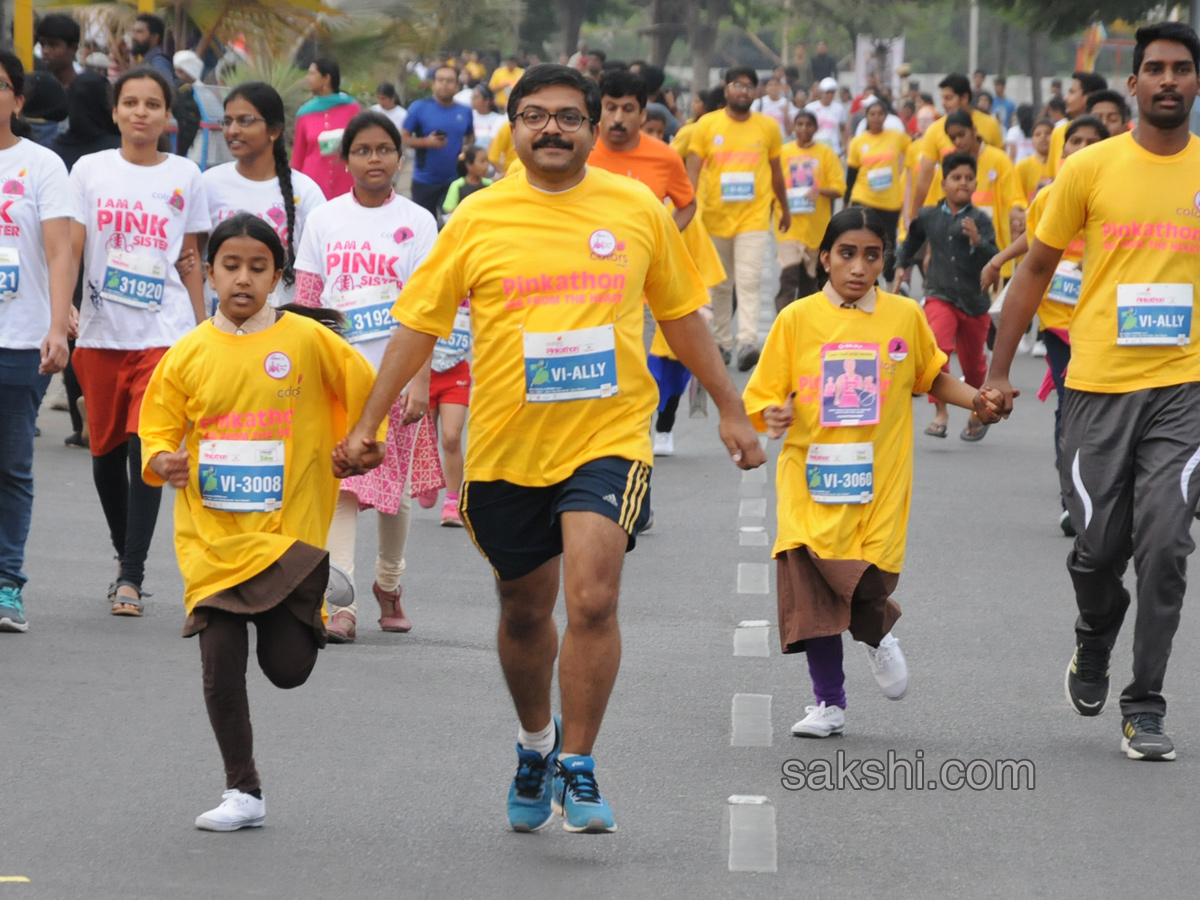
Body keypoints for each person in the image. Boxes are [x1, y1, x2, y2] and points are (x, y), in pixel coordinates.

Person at [335, 64, 766, 834]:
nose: (552, 130)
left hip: (608, 438)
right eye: (534, 116)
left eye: (569, 117)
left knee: (594, 597)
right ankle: (538, 742)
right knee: (524, 609)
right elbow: (420, 323)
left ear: (595, 126)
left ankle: (581, 763)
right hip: (505, 447)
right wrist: (368, 422)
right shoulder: (477, 216)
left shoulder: (636, 209)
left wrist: (731, 409)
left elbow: (681, 315)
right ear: (513, 129)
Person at [987, 22, 1200, 762]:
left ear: (1195, 83)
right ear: (1133, 84)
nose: (1168, 80)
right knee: (1098, 548)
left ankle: (1144, 704)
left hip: (1184, 389)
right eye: (1154, 70)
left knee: (1167, 544)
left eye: (1181, 69)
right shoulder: (1090, 169)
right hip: (1098, 386)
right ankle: (1094, 629)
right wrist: (996, 370)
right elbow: (1036, 271)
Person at [139, 213, 381, 831]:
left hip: (289, 532)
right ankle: (242, 790)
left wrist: (360, 444)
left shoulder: (307, 341)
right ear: (211, 271)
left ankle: (313, 596)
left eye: (257, 267)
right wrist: (163, 460)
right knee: (220, 662)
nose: (243, 279)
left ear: (278, 274)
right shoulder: (189, 351)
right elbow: (158, 427)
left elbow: (364, 394)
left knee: (288, 670)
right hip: (212, 538)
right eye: (230, 266)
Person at [743, 206, 1002, 738]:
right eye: (846, 254)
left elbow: (933, 377)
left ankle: (877, 631)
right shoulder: (797, 320)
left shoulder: (904, 316)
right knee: (812, 582)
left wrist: (978, 401)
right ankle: (828, 704)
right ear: (824, 259)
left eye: (871, 255)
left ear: (884, 260)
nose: (858, 267)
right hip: (810, 478)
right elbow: (766, 395)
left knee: (867, 580)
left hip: (877, 479)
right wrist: (774, 413)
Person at [294, 111, 442, 643]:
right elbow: (308, 302)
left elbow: (428, 310)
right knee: (347, 490)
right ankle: (342, 604)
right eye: (363, 150)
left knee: (393, 498)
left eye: (384, 150)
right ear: (346, 159)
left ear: (399, 159)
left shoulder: (420, 223)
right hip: (339, 379)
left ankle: (389, 582)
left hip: (397, 380)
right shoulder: (324, 220)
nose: (374, 159)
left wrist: (420, 382)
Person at [69, 67, 209, 616]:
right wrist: (66, 311)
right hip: (101, 334)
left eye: (153, 104)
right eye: (130, 103)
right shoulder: (89, 171)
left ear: (167, 116)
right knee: (104, 454)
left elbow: (190, 258)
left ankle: (131, 575)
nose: (141, 113)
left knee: (143, 447)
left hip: (164, 332)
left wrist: (202, 331)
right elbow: (72, 247)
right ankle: (123, 555)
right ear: (115, 111)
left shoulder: (184, 175)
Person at [981, 116, 1110, 535]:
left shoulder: (1117, 193)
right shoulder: (1051, 194)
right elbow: (1035, 245)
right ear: (1062, 149)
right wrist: (1000, 259)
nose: (1082, 147)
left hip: (1107, 325)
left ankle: (1109, 492)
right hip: (1059, 324)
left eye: (1093, 142)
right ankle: (1071, 497)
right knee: (1071, 408)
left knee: (1105, 415)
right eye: (1075, 140)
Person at [0, 51, 77, 634]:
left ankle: (7, 585)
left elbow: (59, 251)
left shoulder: (42, 165)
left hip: (20, 338)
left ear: (18, 100)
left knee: (11, 466)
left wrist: (57, 324)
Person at [686, 66, 789, 370]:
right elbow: (692, 168)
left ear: (756, 92)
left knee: (749, 280)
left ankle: (746, 341)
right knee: (719, 284)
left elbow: (777, 172)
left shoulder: (767, 127)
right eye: (737, 85)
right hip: (714, 218)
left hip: (753, 218)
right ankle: (721, 342)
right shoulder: (707, 125)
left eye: (749, 86)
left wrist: (784, 208)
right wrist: (688, 208)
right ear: (726, 89)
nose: (743, 91)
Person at [895, 152, 998, 441]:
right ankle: (940, 413)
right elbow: (910, 242)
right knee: (937, 352)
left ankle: (977, 410)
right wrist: (900, 266)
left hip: (974, 302)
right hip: (939, 295)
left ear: (976, 183)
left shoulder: (981, 220)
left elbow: (994, 257)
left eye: (968, 178)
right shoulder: (928, 216)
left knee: (974, 365)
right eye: (956, 178)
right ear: (944, 184)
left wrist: (979, 242)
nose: (962, 183)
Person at [204, 82, 326, 309]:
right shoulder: (208, 183)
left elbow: (318, 270)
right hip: (219, 320)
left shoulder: (306, 192)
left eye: (245, 120)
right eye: (227, 121)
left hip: (281, 322)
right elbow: (193, 256)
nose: (233, 130)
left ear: (274, 131)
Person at [49, 71, 120, 451]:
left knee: (78, 338)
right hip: (111, 257)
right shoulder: (115, 148)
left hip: (67, 253)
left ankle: (84, 423)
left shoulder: (59, 149)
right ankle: (111, 417)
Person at [775, 110, 845, 311]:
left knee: (810, 284)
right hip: (788, 227)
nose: (804, 129)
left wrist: (820, 190)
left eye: (808, 125)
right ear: (793, 127)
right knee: (788, 277)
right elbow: (771, 185)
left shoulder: (826, 154)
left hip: (816, 230)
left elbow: (839, 189)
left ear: (816, 128)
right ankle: (784, 320)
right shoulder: (782, 153)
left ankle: (805, 322)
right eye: (799, 124)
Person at [908, 73, 1005, 216]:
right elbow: (924, 180)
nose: (943, 103)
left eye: (949, 98)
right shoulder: (934, 130)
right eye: (942, 98)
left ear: (965, 98)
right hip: (948, 209)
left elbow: (1000, 167)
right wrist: (914, 218)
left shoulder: (990, 125)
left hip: (984, 207)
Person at [943, 109, 1026, 268]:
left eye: (962, 134)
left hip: (994, 253)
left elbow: (1014, 198)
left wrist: (1017, 213)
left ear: (974, 130)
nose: (958, 141)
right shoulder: (950, 164)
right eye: (953, 138)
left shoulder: (999, 160)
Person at [845, 99, 911, 282]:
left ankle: (889, 280)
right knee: (864, 240)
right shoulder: (859, 142)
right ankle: (869, 282)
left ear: (886, 116)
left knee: (887, 242)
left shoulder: (896, 137)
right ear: (866, 117)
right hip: (863, 197)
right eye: (872, 114)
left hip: (889, 201)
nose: (876, 118)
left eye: (880, 114)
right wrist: (846, 199)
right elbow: (851, 173)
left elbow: (914, 149)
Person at [401, 65, 474, 218]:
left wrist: (466, 149)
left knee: (454, 227)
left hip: (455, 181)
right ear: (433, 84)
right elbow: (403, 138)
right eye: (440, 80)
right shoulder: (419, 108)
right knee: (424, 228)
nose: (444, 84)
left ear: (456, 85)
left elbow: (470, 136)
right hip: (425, 180)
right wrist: (427, 142)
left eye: (449, 81)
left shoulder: (465, 111)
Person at [292, 59, 360, 199]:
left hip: (345, 182)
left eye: (312, 74)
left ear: (326, 78)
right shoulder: (304, 114)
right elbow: (298, 157)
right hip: (312, 183)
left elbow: (362, 145)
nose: (307, 78)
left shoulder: (352, 108)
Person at [1047, 71, 1108, 176]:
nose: (1065, 98)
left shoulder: (1109, 133)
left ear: (1088, 97)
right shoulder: (1059, 132)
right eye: (1075, 141)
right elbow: (1053, 178)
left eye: (1072, 92)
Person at [442, 144, 491, 216]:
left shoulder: (489, 184)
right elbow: (449, 210)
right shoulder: (457, 185)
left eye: (487, 161)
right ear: (469, 165)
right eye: (482, 161)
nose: (486, 165)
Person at [35, 13, 80, 91]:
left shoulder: (83, 90)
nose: (45, 51)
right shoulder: (38, 89)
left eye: (53, 45)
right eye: (42, 45)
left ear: (73, 49)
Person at [171, 50, 203, 159]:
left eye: (181, 72)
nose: (177, 75)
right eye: (176, 71)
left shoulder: (201, 93)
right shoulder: (177, 91)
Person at [806, 77, 849, 155]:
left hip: (834, 149)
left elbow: (843, 129)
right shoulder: (810, 108)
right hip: (815, 148)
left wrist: (846, 146)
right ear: (821, 92)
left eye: (832, 92)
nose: (829, 95)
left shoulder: (839, 108)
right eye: (827, 92)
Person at [1015, 116, 1053, 200]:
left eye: (1048, 133)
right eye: (1037, 134)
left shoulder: (1063, 165)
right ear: (1032, 140)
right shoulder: (1022, 166)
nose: (1043, 137)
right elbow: (1017, 198)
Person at [130, 14, 174, 86]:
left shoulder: (159, 63)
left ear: (154, 37)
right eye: (133, 32)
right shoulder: (147, 62)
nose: (134, 37)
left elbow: (167, 91)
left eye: (139, 32)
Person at [751, 75, 798, 139]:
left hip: (782, 140)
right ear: (766, 88)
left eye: (776, 85)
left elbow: (791, 130)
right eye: (770, 85)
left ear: (779, 87)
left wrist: (786, 114)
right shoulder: (758, 103)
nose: (773, 87)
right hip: (763, 139)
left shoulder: (787, 104)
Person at [469, 83, 506, 151]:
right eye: (472, 97)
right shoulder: (469, 116)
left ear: (487, 101)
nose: (472, 100)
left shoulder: (499, 119)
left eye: (476, 97)